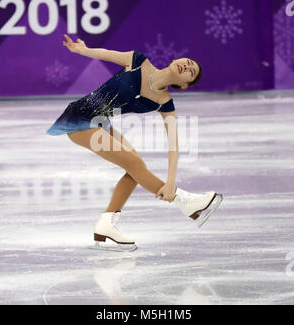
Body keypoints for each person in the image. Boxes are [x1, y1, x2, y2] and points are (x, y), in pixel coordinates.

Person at [46, 34, 223, 251]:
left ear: (184, 84)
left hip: (102, 122)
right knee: (135, 164)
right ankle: (183, 201)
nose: (186, 66)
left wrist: (170, 181)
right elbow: (106, 54)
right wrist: (83, 50)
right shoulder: (138, 61)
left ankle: (106, 225)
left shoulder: (164, 102)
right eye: (187, 62)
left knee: (135, 168)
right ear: (176, 60)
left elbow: (173, 144)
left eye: (190, 71)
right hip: (80, 118)